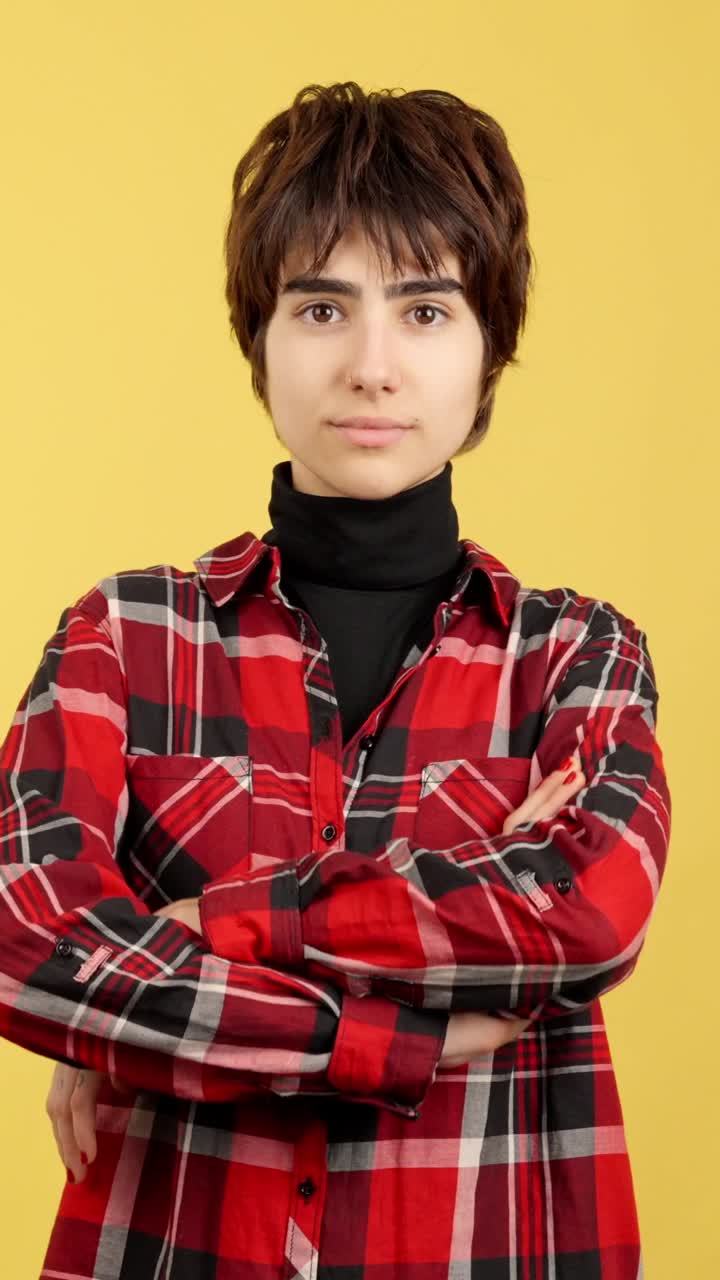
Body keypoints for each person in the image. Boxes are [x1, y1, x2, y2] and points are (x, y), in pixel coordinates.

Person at [0, 81, 670, 1279]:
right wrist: (398, 1033)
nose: (371, 365)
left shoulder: (577, 655)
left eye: (425, 309)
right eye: (322, 306)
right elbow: (26, 936)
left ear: (490, 348)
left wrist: (198, 940)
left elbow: (587, 908)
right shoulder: (125, 635)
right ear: (259, 338)